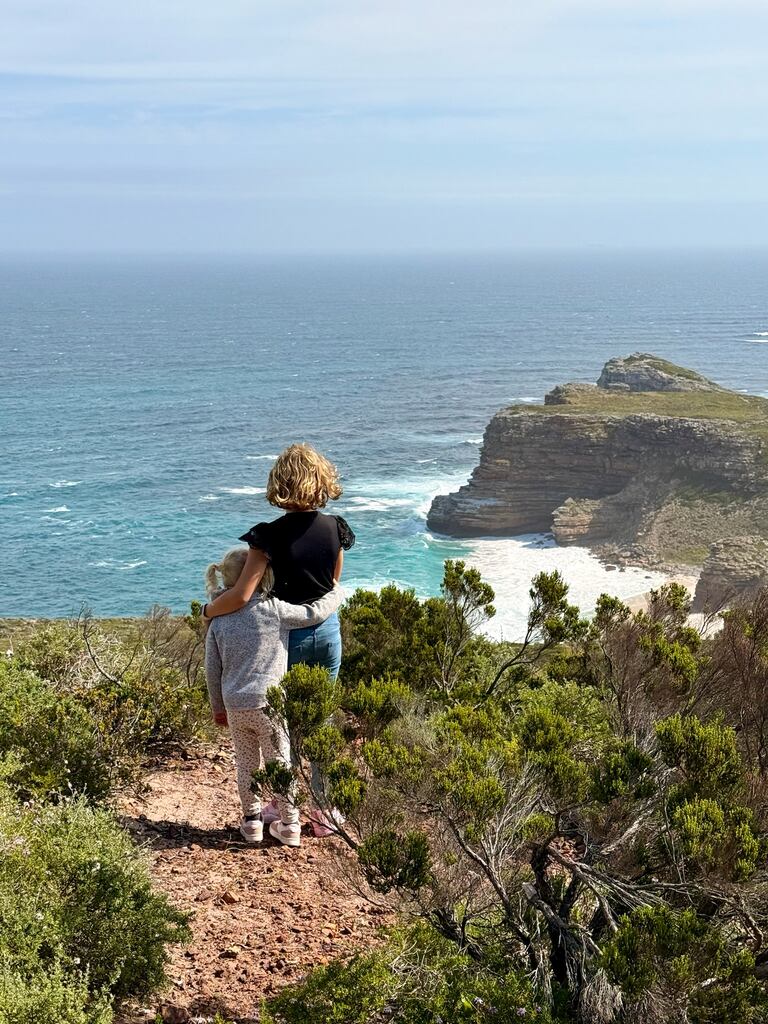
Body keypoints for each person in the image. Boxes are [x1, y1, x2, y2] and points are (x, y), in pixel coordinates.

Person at [202, 444, 355, 835]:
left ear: (279, 484)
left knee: (284, 728)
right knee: (318, 722)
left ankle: (282, 806)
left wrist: (208, 613)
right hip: (327, 633)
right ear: (322, 481)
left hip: (286, 639)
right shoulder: (336, 528)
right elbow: (332, 583)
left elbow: (242, 595)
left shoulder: (266, 537)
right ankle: (323, 811)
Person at [204, 546, 343, 847]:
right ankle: (289, 824)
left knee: (246, 764)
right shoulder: (273, 609)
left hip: (236, 705)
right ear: (261, 576)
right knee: (279, 762)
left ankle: (252, 822)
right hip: (270, 705)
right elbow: (312, 613)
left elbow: (212, 670)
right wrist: (334, 593)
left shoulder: (218, 620)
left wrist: (218, 709)